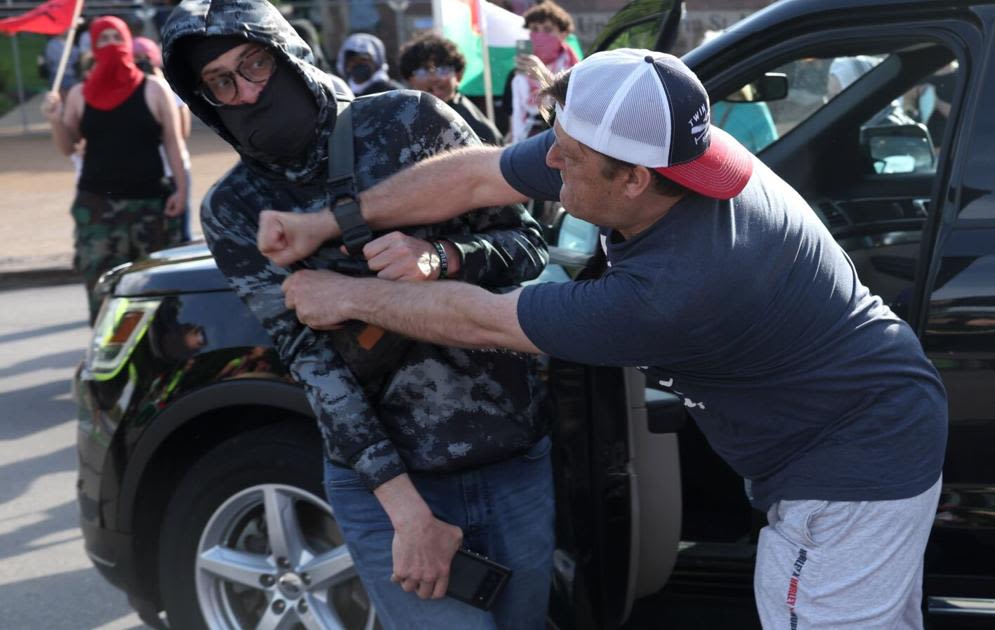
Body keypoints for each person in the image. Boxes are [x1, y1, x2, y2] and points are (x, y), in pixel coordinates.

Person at [268, 49, 948, 629]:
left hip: (851, 467)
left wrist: (348, 294)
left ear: (632, 180)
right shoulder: (672, 152)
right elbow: (484, 172)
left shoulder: (677, 289)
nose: (551, 158)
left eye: (569, 156)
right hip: (869, 417)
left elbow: (483, 319)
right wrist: (329, 224)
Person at [159, 1, 554, 628]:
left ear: (287, 52)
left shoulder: (410, 119)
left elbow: (528, 247)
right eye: (222, 83)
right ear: (205, 101)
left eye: (255, 62)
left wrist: (443, 256)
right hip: (386, 484)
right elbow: (311, 361)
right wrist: (407, 513)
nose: (248, 91)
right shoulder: (235, 208)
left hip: (511, 453)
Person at [41, 16, 188, 323]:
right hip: (98, 209)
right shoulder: (80, 95)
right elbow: (69, 146)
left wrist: (182, 189)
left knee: (160, 293)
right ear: (93, 48)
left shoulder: (154, 89)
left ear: (128, 43)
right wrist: (55, 119)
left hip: (151, 204)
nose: (111, 46)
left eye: (115, 38)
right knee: (105, 294)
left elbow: (174, 143)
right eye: (103, 40)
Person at [134, 35, 195, 240]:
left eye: (144, 57)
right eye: (137, 57)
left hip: (172, 170)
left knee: (179, 233)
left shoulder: (167, 87)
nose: (141, 62)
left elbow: (182, 133)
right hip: (150, 174)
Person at [399, 33, 502, 145]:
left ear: (458, 76)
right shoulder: (399, 118)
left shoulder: (479, 128)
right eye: (424, 71)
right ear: (410, 79)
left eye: (443, 69)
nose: (434, 78)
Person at [509, 0, 577, 142]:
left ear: (563, 34)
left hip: (565, 139)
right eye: (534, 29)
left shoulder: (576, 70)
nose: (540, 35)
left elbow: (573, 102)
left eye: (547, 30)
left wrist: (543, 75)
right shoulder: (518, 74)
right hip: (528, 139)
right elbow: (514, 116)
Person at [336, 32, 402, 96]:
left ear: (376, 62)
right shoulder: (342, 94)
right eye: (353, 61)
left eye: (363, 60)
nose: (358, 64)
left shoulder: (392, 92)